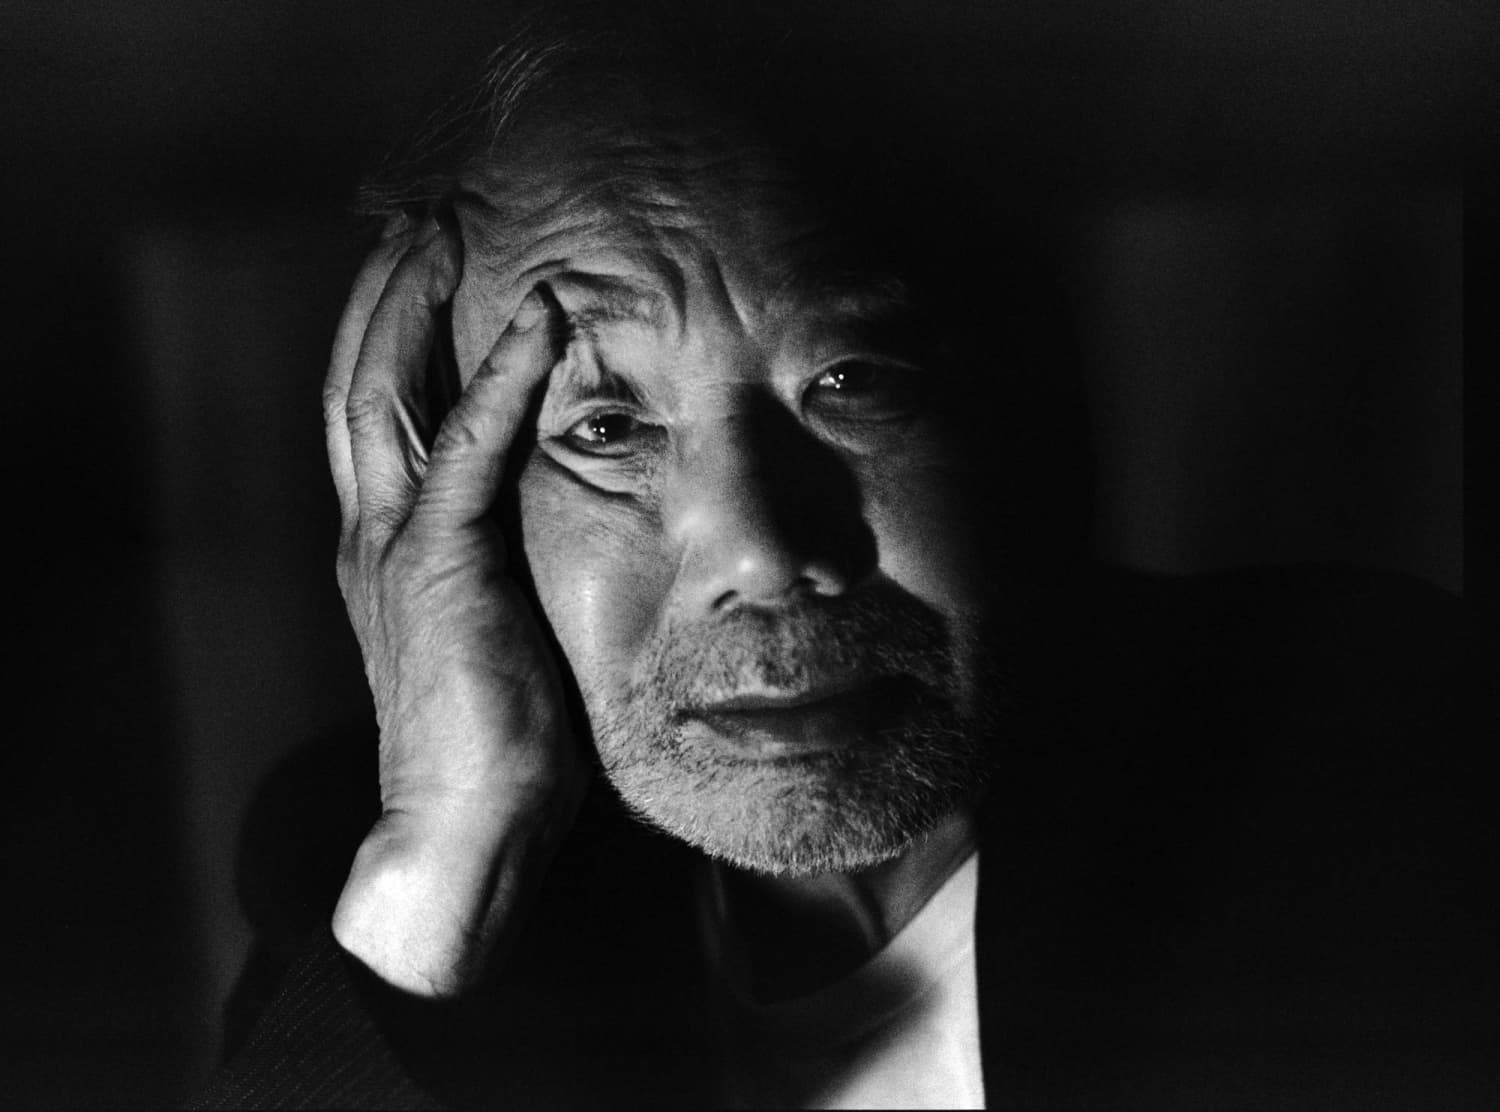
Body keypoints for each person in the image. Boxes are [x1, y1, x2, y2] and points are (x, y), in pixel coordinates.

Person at [197, 5, 1493, 1109]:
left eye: (851, 379)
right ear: (459, 513)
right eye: (603, 428)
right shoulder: (375, 870)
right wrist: (442, 874)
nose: (762, 552)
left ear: (1016, 403)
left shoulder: (1371, 761)